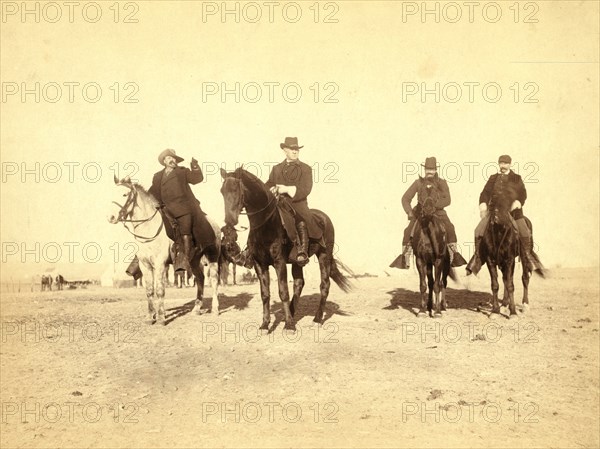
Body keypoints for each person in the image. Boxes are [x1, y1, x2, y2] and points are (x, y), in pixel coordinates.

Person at [465, 154, 545, 276]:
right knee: (478, 230)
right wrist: (483, 206)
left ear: (510, 164)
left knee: (524, 232)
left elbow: (522, 193)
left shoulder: (516, 178)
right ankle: (477, 258)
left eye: (505, 163)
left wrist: (517, 202)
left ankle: (528, 258)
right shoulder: (493, 178)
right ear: (499, 164)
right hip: (494, 213)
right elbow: (485, 193)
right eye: (501, 163)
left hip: (513, 213)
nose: (503, 166)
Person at [148, 148, 217, 272]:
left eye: (174, 158)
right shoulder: (157, 176)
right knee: (150, 228)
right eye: (169, 158)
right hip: (164, 209)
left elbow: (197, 179)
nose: (172, 160)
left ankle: (184, 260)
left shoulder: (182, 171)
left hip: (183, 208)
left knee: (185, 232)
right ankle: (138, 262)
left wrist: (195, 167)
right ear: (164, 161)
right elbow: (152, 191)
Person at [391, 157, 466, 269]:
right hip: (420, 213)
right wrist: (409, 211)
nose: (430, 171)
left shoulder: (442, 183)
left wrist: (432, 206)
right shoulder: (418, 183)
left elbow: (447, 199)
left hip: (438, 212)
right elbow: (405, 198)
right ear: (425, 170)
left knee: (450, 227)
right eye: (428, 169)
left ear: (436, 170)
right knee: (408, 231)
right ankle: (404, 258)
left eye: (432, 169)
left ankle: (453, 255)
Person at [265, 137, 323, 266]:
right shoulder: (276, 168)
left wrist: (286, 189)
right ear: (285, 150)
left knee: (299, 219)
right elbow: (269, 183)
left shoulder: (305, 168)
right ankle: (250, 250)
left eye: (296, 149)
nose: (295, 151)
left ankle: (302, 251)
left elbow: (306, 189)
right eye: (292, 149)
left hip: (297, 203)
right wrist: (271, 189)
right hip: (279, 204)